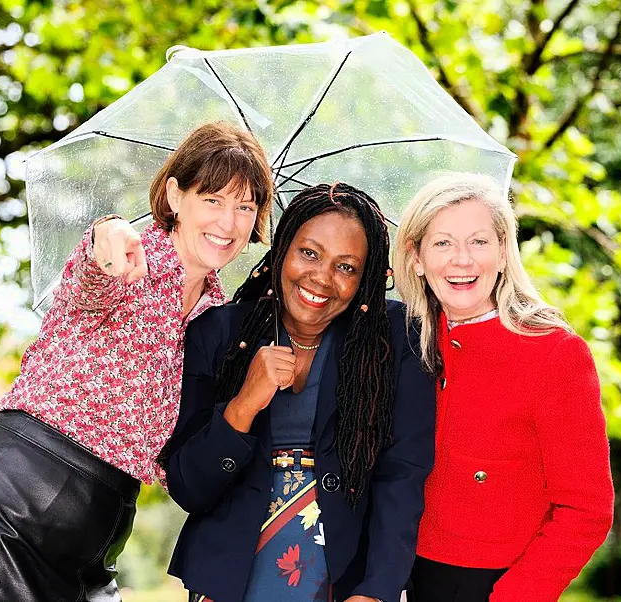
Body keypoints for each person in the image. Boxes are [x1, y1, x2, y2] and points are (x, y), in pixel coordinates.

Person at [0, 122, 274, 602]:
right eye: (213, 200)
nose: (229, 223)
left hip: (100, 531)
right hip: (6, 506)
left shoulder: (217, 321)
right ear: (175, 196)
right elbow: (93, 278)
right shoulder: (129, 258)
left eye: (245, 206)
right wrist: (105, 237)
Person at [162, 183, 436, 602]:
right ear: (282, 250)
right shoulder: (216, 334)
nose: (322, 278)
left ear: (365, 279)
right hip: (229, 580)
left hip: (344, 579)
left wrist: (378, 589)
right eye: (309, 253)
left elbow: (403, 475)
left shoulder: (394, 339)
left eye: (346, 267)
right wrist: (243, 405)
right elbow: (189, 488)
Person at [393, 173, 614, 602]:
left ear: (503, 252)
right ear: (416, 257)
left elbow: (586, 509)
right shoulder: (399, 339)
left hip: (495, 585)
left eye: (479, 241)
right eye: (442, 243)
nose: (462, 260)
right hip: (395, 576)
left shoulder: (554, 353)